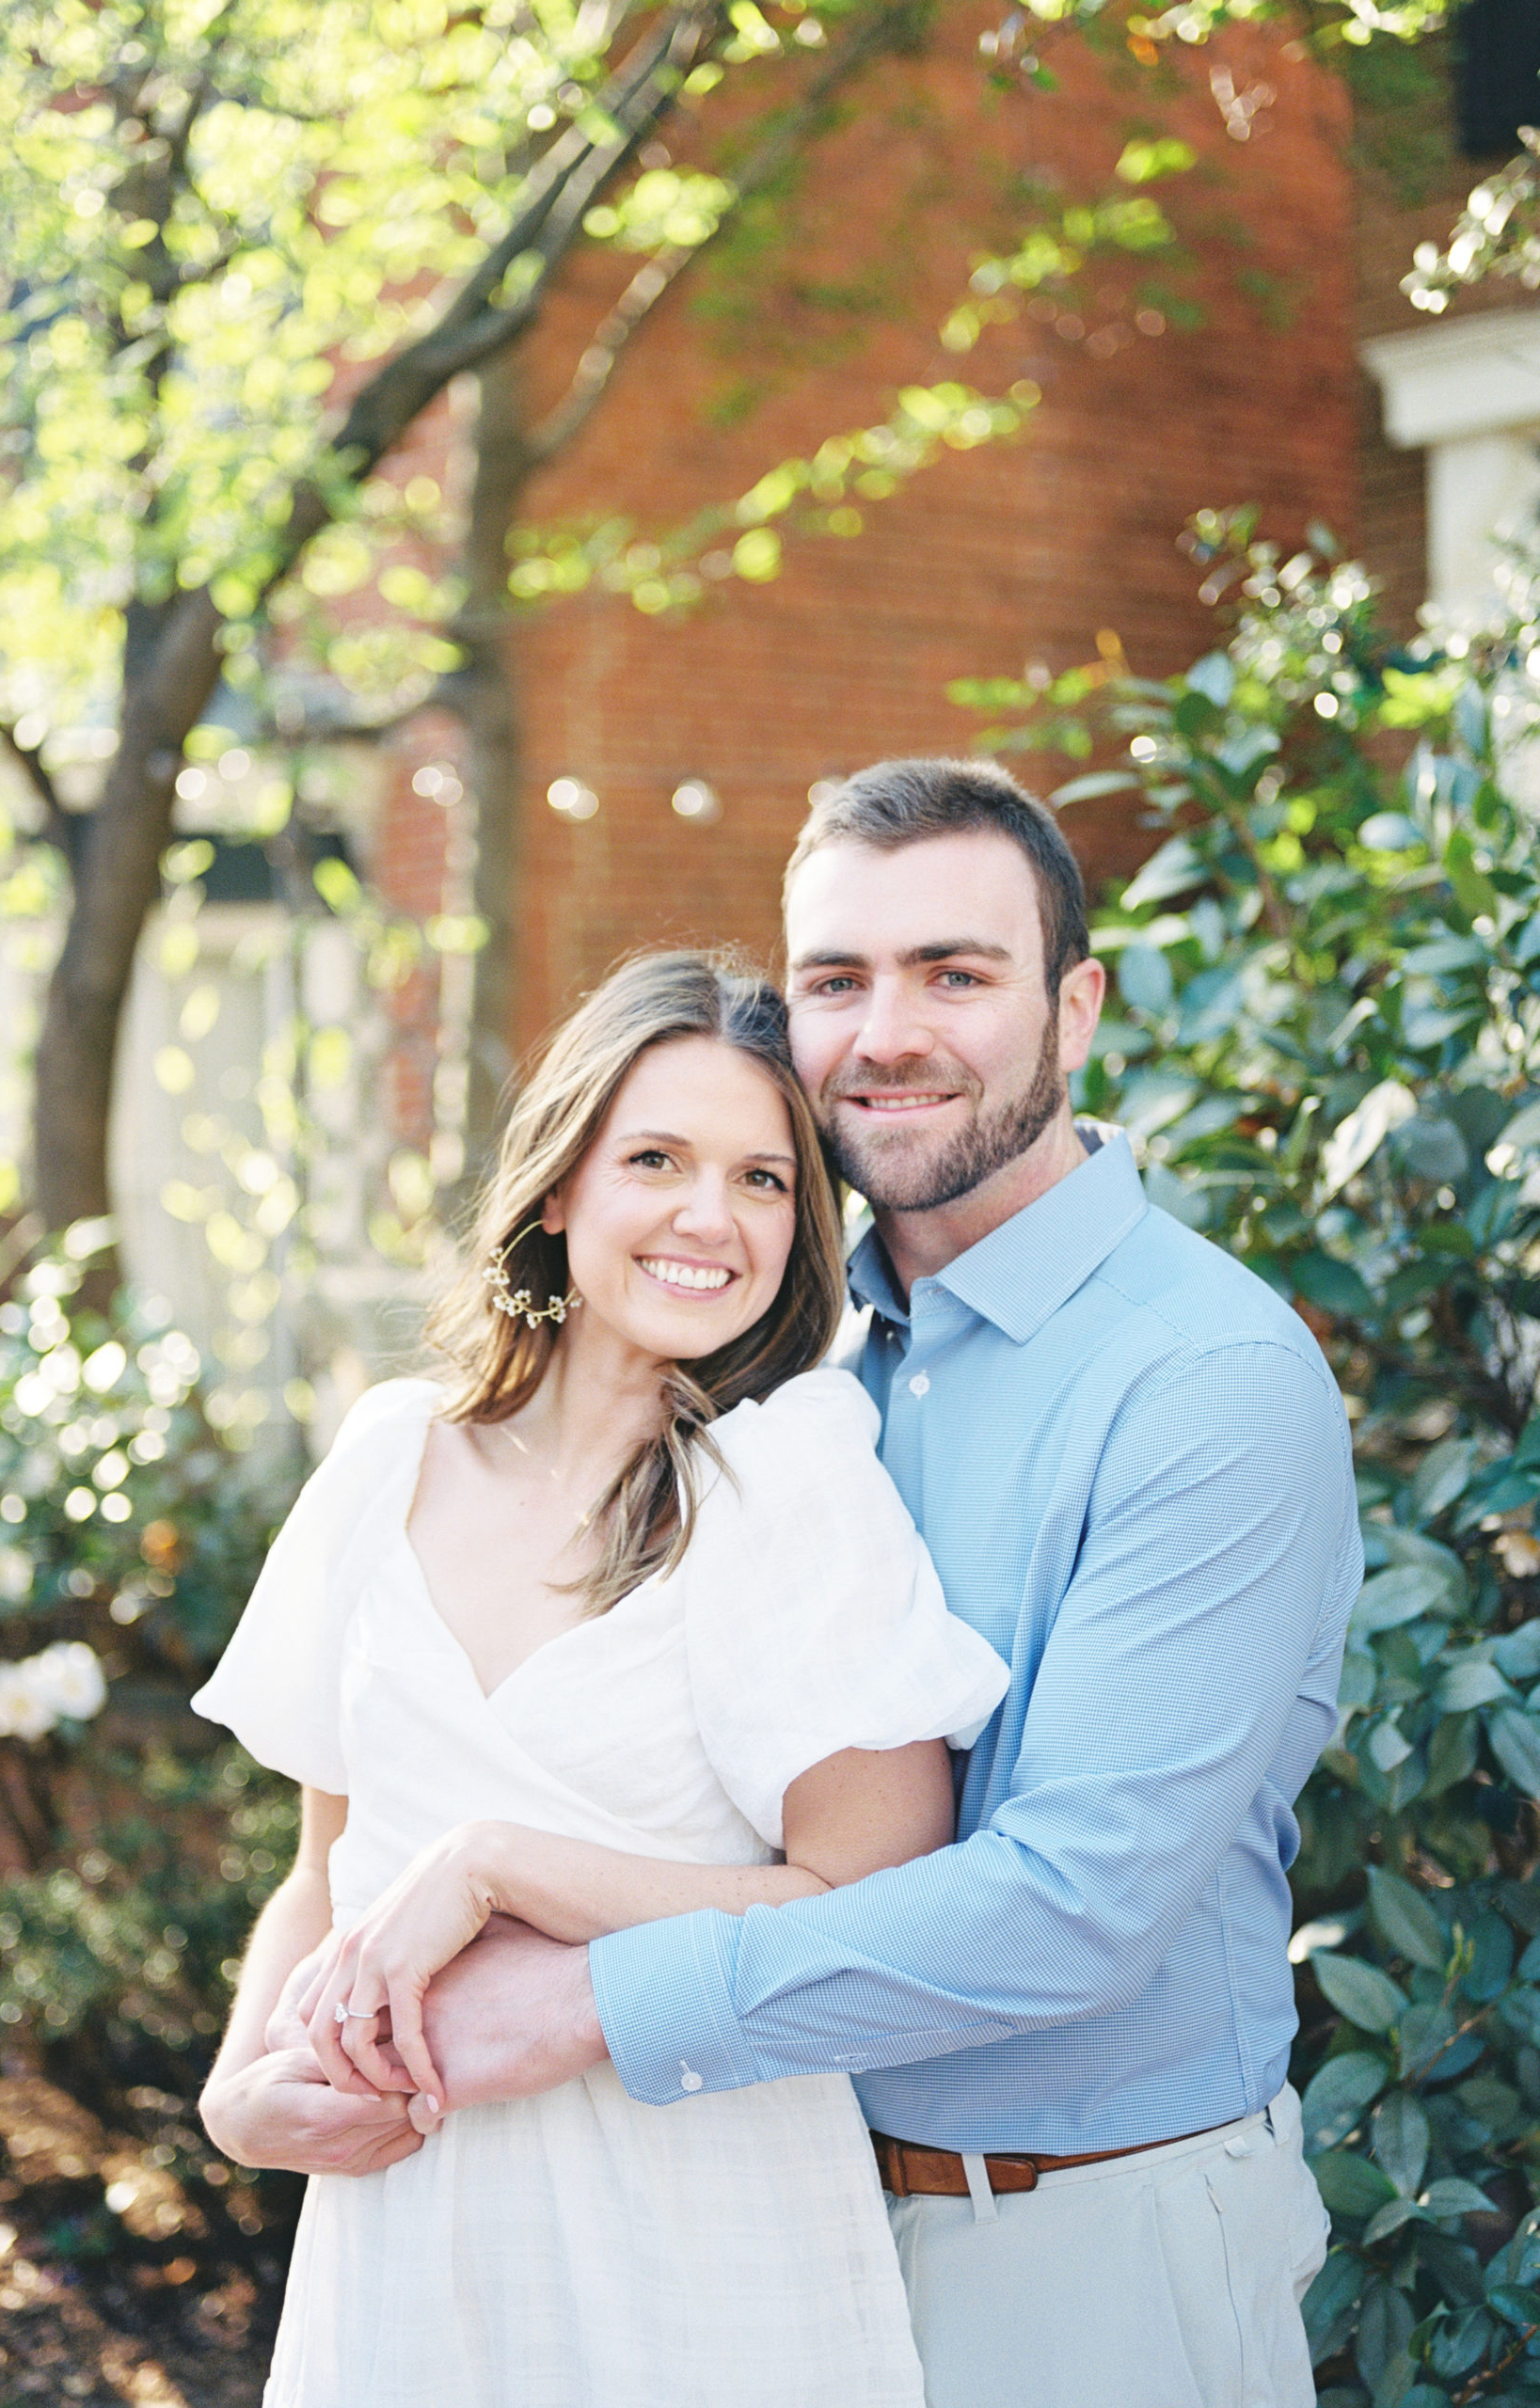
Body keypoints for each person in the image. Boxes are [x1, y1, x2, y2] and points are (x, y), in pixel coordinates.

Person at [386, 758, 1363, 2408]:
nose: (883, 1033)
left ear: (1075, 1007)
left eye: (954, 975)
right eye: (835, 979)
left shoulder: (1203, 1379)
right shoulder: (787, 1367)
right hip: (761, 2225)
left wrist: (569, 2007)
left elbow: (1072, 1909)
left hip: (1080, 2254)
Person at [194, 949, 1010, 2406]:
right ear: (559, 1183)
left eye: (763, 1181)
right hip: (400, 2247)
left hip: (690, 2250)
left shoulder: (782, 1481)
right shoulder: (389, 1456)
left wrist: (501, 1865)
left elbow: (878, 1900)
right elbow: (323, 1871)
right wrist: (240, 2094)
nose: (711, 1217)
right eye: (656, 1159)